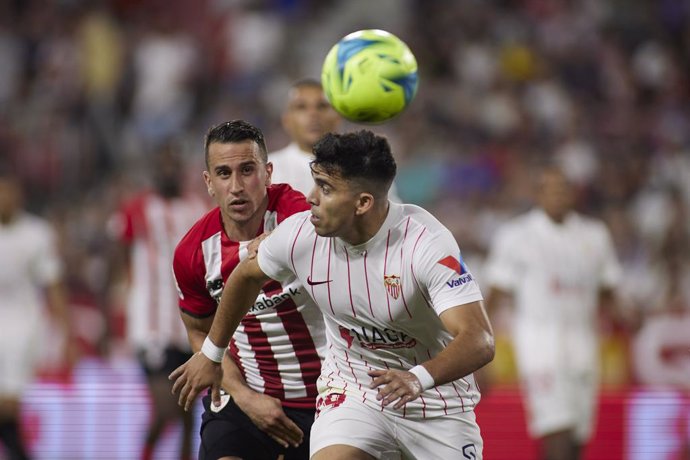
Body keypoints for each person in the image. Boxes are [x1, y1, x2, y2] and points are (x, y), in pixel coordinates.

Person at [171, 130, 495, 459]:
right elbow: (244, 277)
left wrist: (417, 378)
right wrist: (212, 353)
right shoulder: (302, 233)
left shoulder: (427, 245)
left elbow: (479, 339)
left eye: (325, 189)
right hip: (353, 395)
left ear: (362, 203)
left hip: (436, 405)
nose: (311, 197)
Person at [172, 119, 326, 460]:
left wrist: (278, 242)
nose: (237, 186)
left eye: (247, 170)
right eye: (224, 174)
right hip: (245, 397)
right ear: (209, 183)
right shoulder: (193, 253)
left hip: (326, 397)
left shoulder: (297, 215)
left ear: (268, 173)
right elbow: (199, 332)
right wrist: (244, 396)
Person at [482, 165, 623, 460]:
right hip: (540, 343)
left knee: (577, 436)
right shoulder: (516, 236)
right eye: (551, 189)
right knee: (554, 426)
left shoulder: (595, 235)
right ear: (538, 194)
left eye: (564, 188)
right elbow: (496, 293)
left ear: (573, 193)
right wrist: (481, 350)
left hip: (584, 342)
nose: (558, 195)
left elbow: (608, 289)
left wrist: (626, 314)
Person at [107, 144, 207, 460]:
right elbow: (119, 256)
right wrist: (123, 295)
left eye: (173, 165)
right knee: (168, 409)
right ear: (153, 171)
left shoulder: (198, 208)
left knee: (187, 412)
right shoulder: (136, 209)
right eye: (162, 165)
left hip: (190, 324)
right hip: (151, 326)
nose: (168, 171)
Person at [0, 172, 73, 460]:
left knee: (8, 404)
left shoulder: (37, 233)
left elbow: (53, 285)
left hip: (22, 331)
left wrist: (66, 333)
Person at [269, 79, 401, 202]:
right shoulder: (267, 172)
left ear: (337, 117)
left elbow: (389, 219)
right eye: (301, 107)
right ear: (286, 120)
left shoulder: (366, 167)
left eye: (322, 106)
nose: (313, 114)